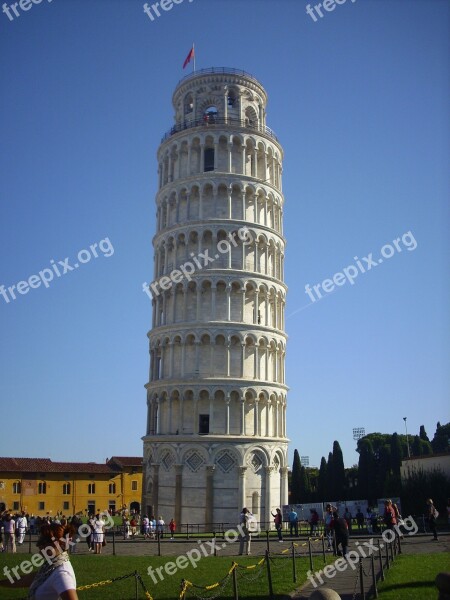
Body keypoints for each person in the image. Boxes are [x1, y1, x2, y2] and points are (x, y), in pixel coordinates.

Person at [0, 521, 79, 599]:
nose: (38, 545)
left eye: (43, 541)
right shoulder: (51, 565)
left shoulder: (62, 574)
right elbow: (27, 579)